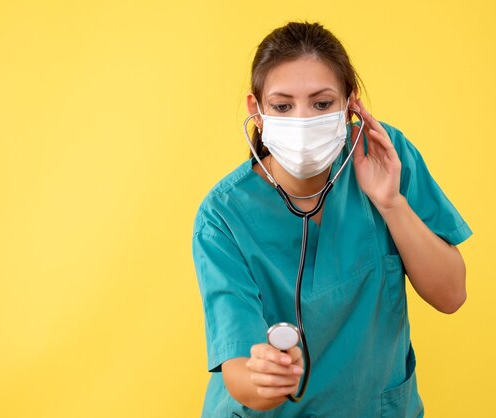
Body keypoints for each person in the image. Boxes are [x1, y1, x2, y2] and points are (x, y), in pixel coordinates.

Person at [191, 21, 472, 417]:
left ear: (349, 105)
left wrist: (391, 203)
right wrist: (267, 379)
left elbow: (451, 295)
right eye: (283, 106)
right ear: (257, 111)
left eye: (322, 104)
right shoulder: (223, 216)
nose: (303, 121)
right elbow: (239, 372)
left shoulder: (384, 156)